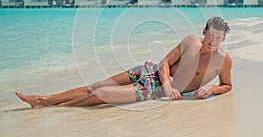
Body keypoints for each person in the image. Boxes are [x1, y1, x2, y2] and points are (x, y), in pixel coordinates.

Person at [16, 16, 232, 109]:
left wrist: (212, 88)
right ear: (204, 31)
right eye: (210, 35)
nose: (213, 41)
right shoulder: (190, 41)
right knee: (97, 85)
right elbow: (165, 61)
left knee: (102, 95)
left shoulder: (223, 61)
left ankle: (54, 107)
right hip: (151, 72)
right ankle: (44, 99)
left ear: (223, 39)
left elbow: (228, 85)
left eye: (218, 38)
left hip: (153, 88)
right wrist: (167, 83)